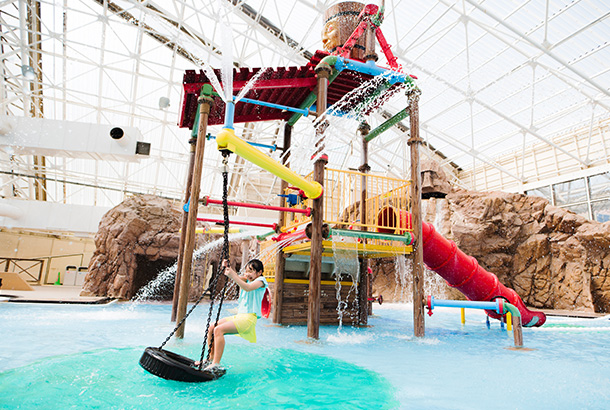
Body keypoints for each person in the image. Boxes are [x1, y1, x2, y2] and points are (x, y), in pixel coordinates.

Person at [203, 258, 268, 371]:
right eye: (246, 271)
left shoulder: (261, 281)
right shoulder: (247, 279)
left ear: (259, 272)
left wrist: (233, 274)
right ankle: (209, 359)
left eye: (251, 271)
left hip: (248, 319)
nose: (247, 274)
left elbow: (247, 288)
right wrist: (226, 267)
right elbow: (233, 276)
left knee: (219, 330)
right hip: (239, 317)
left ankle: (216, 364)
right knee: (211, 328)